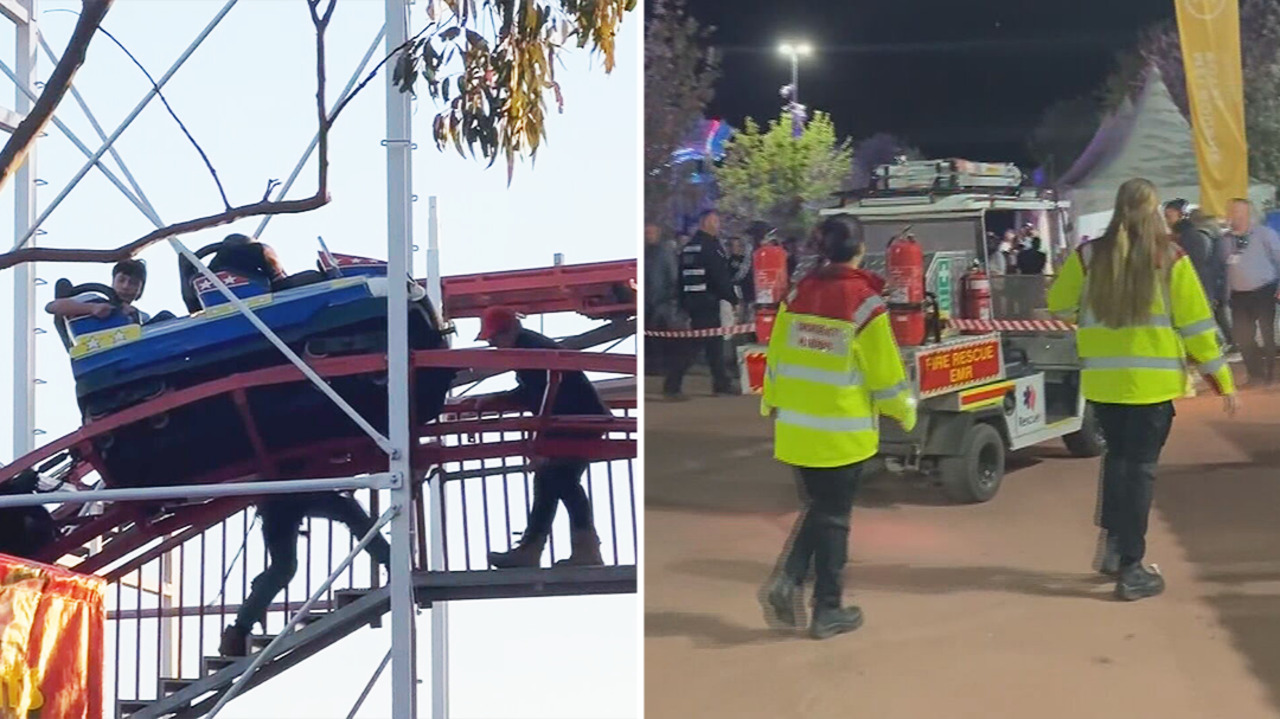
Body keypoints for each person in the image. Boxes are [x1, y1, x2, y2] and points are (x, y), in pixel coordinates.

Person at [1048, 178, 1237, 602]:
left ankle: (1115, 547)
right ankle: (1132, 567)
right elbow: (1196, 327)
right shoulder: (1171, 258)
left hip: (1103, 384)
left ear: (1118, 208)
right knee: (1141, 470)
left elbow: (1059, 304)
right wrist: (1222, 379)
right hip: (1152, 389)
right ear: (1154, 211)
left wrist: (1091, 318)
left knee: (1118, 462)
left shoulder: (1089, 255)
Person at [759, 216, 917, 640]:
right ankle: (826, 608)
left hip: (796, 429)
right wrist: (905, 410)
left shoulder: (796, 295)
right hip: (842, 432)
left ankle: (789, 581)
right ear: (860, 249)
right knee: (834, 520)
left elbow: (775, 356)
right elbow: (885, 374)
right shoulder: (864, 304)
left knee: (819, 511)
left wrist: (770, 402)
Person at [475, 306, 609, 568]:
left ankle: (556, 549)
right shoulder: (529, 346)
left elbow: (547, 395)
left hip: (576, 421)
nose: (492, 343)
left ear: (510, 330)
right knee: (554, 480)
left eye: (495, 337)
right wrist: (498, 399)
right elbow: (538, 392)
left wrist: (541, 444)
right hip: (580, 418)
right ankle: (551, 549)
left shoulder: (529, 350)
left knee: (559, 478)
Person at [220, 492, 391, 656]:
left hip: (280, 501)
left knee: (283, 568)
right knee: (347, 510)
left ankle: (240, 630)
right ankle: (392, 561)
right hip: (285, 498)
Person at [663, 210, 738, 399]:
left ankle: (721, 383)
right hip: (707, 301)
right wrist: (731, 298)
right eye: (715, 221)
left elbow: (680, 277)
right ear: (705, 223)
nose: (718, 226)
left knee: (713, 344)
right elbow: (719, 276)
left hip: (692, 301)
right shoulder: (710, 247)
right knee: (695, 345)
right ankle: (672, 385)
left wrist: (682, 302)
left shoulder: (689, 247)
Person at [1222, 198, 1280, 386]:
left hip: (1264, 290)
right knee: (1242, 336)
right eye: (1232, 212)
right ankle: (1255, 374)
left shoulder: (1265, 234)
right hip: (1238, 295)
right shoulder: (1225, 240)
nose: (1235, 216)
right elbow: (1222, 268)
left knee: (1267, 333)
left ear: (1248, 214)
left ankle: (1271, 375)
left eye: (1240, 212)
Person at [45, 258, 171, 325]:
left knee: (166, 317)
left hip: (136, 349)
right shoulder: (94, 299)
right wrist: (92, 308)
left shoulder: (142, 317)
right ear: (113, 282)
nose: (126, 286)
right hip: (100, 347)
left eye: (133, 283)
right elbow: (52, 307)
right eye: (121, 280)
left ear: (140, 290)